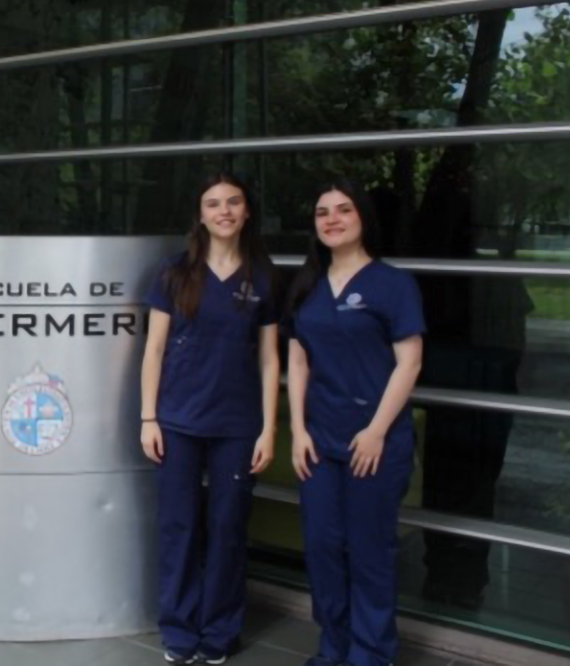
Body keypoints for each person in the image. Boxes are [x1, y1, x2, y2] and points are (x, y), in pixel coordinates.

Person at [140, 172, 280, 665]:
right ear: (200, 215)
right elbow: (153, 350)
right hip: (176, 423)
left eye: (233, 202)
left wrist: (269, 427)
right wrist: (148, 418)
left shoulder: (261, 277)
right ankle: (179, 630)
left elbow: (269, 359)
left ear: (246, 212)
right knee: (178, 528)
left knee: (227, 529)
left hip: (238, 427)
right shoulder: (174, 273)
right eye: (213, 203)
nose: (224, 210)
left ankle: (219, 632)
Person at [286, 180, 425, 666]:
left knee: (369, 552)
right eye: (323, 212)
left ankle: (371, 654)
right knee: (323, 548)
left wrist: (376, 430)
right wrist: (298, 431)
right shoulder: (307, 286)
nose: (332, 219)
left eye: (343, 210)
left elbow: (409, 363)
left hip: (375, 442)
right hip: (320, 443)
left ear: (363, 217)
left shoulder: (392, 284)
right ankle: (334, 649)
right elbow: (298, 362)